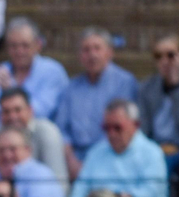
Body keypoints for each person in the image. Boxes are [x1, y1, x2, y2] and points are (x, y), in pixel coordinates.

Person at [67, 99, 170, 197]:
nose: (112, 133)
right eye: (107, 128)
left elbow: (149, 194)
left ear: (135, 125)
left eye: (117, 127)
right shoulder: (96, 152)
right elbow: (80, 190)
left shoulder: (152, 152)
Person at [0, 18, 67, 140]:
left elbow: (40, 114)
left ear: (38, 45)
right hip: (1, 140)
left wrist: (11, 90)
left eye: (25, 45)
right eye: (14, 46)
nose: (19, 51)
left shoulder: (52, 72)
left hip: (39, 140)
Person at [52, 27, 139, 165]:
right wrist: (71, 161)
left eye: (97, 48)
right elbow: (61, 130)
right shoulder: (71, 88)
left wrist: (93, 162)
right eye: (86, 50)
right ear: (80, 56)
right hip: (74, 158)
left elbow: (125, 128)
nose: (92, 55)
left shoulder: (125, 82)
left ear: (110, 52)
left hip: (111, 154)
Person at [0, 86, 68, 188]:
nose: (12, 117)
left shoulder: (47, 131)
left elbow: (60, 182)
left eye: (17, 110)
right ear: (0, 115)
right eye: (6, 111)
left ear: (30, 110)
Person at [137, 34, 179, 175]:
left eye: (170, 55)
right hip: (155, 148)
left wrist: (176, 87)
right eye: (159, 56)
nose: (164, 61)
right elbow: (144, 128)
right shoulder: (146, 87)